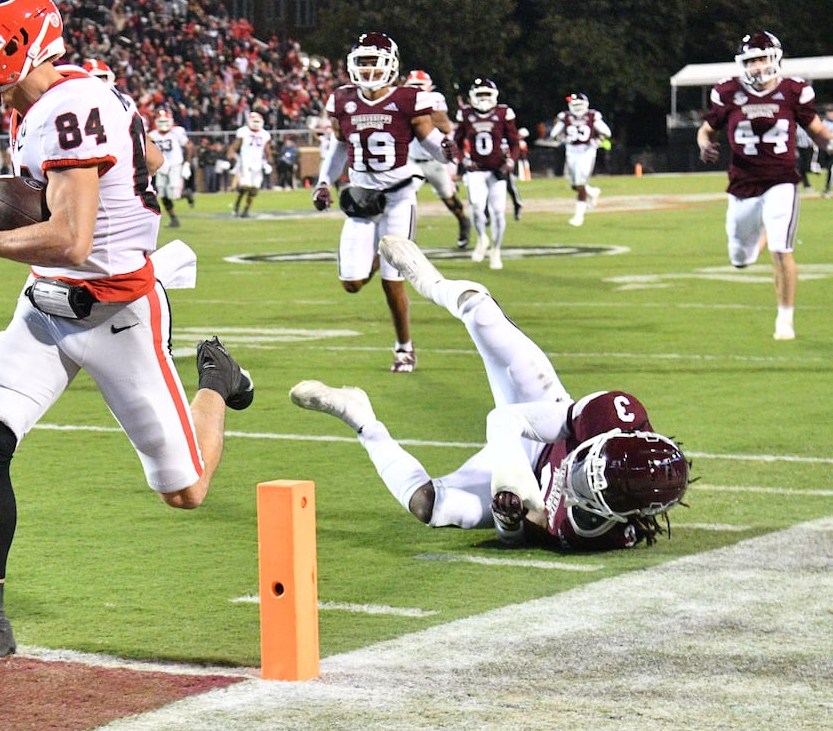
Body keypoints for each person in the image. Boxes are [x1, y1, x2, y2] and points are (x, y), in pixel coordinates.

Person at [0, 0, 254, 671]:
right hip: (49, 302)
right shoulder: (59, 93)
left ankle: (217, 383)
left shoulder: (72, 105)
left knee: (185, 491)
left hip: (114, 309)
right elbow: (154, 159)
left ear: (19, 43)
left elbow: (72, 241)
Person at [291, 235, 690, 551]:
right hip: (543, 426)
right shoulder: (611, 415)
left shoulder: (590, 530)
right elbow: (507, 420)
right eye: (589, 462)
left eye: (587, 483)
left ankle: (358, 416)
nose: (578, 474)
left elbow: (523, 534)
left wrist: (509, 518)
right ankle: (429, 280)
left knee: (429, 506)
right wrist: (510, 473)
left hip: (529, 477)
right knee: (481, 310)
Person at [311, 32, 455, 373]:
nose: (368, 69)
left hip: (398, 196)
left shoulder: (408, 98)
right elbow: (339, 146)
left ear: (390, 63)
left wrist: (446, 148)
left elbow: (430, 138)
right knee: (352, 283)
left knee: (393, 280)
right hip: (361, 199)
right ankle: (378, 254)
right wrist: (322, 183)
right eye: (362, 61)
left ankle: (404, 347)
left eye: (374, 61)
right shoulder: (342, 99)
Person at [697, 31, 832, 341]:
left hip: (781, 180)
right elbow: (706, 130)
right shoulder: (728, 92)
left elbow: (818, 132)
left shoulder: (794, 90)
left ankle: (785, 320)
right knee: (739, 258)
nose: (758, 67)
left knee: (781, 249)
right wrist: (704, 144)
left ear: (775, 58)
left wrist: (829, 143)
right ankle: (762, 229)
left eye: (762, 59)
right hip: (743, 184)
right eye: (752, 60)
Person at [454, 78, 519, 270]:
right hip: (476, 170)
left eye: (486, 94)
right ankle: (482, 238)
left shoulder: (503, 113)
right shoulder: (465, 114)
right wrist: (464, 160)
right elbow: (456, 143)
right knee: (476, 207)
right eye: (480, 94)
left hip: (497, 170)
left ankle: (496, 251)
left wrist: (510, 161)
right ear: (472, 97)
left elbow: (514, 142)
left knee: (498, 212)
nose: (483, 98)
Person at [403, 70, 472, 248]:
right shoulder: (400, 100)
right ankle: (407, 237)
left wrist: (421, 115)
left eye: (420, 86)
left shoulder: (435, 99)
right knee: (405, 195)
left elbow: (445, 126)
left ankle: (463, 221)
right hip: (411, 160)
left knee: (448, 198)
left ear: (429, 88)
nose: (416, 90)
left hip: (434, 159)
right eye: (413, 86)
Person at [549, 93, 612, 227]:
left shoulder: (592, 116)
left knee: (580, 183)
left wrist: (597, 140)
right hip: (571, 151)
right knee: (575, 185)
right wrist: (563, 140)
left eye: (579, 105)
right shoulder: (565, 117)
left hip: (587, 151)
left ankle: (579, 216)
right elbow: (554, 134)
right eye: (575, 105)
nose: (577, 108)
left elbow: (607, 132)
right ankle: (593, 192)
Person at [150, 109, 191, 228]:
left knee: (173, 191)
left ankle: (186, 193)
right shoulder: (153, 134)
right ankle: (174, 219)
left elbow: (188, 147)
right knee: (162, 192)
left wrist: (187, 164)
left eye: (165, 121)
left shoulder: (177, 132)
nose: (163, 124)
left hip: (175, 164)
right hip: (161, 165)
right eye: (161, 121)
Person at [228, 110, 272, 217]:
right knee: (245, 187)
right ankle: (237, 205)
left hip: (258, 163)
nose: (256, 124)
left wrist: (269, 162)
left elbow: (267, 149)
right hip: (246, 162)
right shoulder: (243, 131)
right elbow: (235, 146)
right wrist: (230, 158)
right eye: (254, 121)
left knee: (254, 190)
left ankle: (246, 210)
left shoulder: (264, 134)